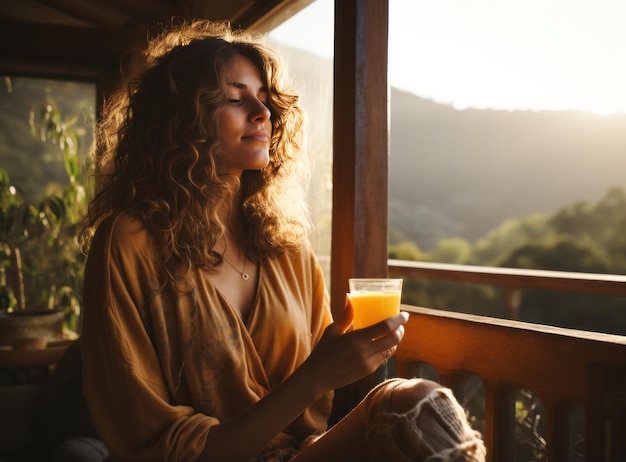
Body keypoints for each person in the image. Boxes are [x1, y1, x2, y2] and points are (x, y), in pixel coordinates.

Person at [79, 20, 486, 462]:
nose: (263, 113)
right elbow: (156, 444)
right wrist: (316, 376)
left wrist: (350, 359)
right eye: (236, 99)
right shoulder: (128, 243)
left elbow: (313, 415)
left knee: (414, 401)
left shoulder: (287, 249)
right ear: (180, 119)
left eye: (265, 100)